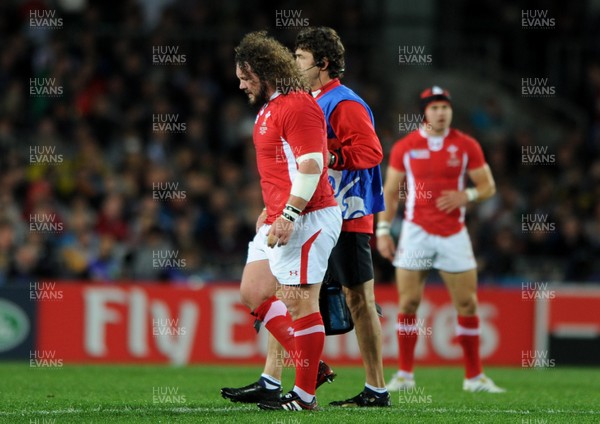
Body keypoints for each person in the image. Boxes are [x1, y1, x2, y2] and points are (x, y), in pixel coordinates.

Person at [222, 26, 390, 408]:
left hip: (344, 210)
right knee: (282, 291)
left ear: (323, 63)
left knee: (356, 298)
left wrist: (328, 158)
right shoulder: (295, 101)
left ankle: (375, 386)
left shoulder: (343, 103)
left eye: (301, 58)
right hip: (302, 207)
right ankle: (273, 377)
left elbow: (371, 152)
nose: (294, 64)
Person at [221, 31, 342, 411]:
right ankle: (312, 366)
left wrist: (289, 212)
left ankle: (305, 396)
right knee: (254, 291)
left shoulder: (298, 106)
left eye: (245, 76)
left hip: (308, 216)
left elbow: (312, 164)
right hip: (279, 215)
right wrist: (271, 206)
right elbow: (281, 168)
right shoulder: (270, 107)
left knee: (300, 303)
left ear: (264, 71)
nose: (240, 84)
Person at [377, 86, 505, 393]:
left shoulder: (466, 145)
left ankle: (474, 378)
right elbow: (391, 192)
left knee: (467, 303)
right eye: (435, 107)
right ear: (425, 112)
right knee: (407, 303)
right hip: (415, 232)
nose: (441, 112)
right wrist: (382, 230)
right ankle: (405, 375)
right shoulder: (406, 146)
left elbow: (488, 186)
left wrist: (467, 194)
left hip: (453, 234)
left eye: (445, 106)